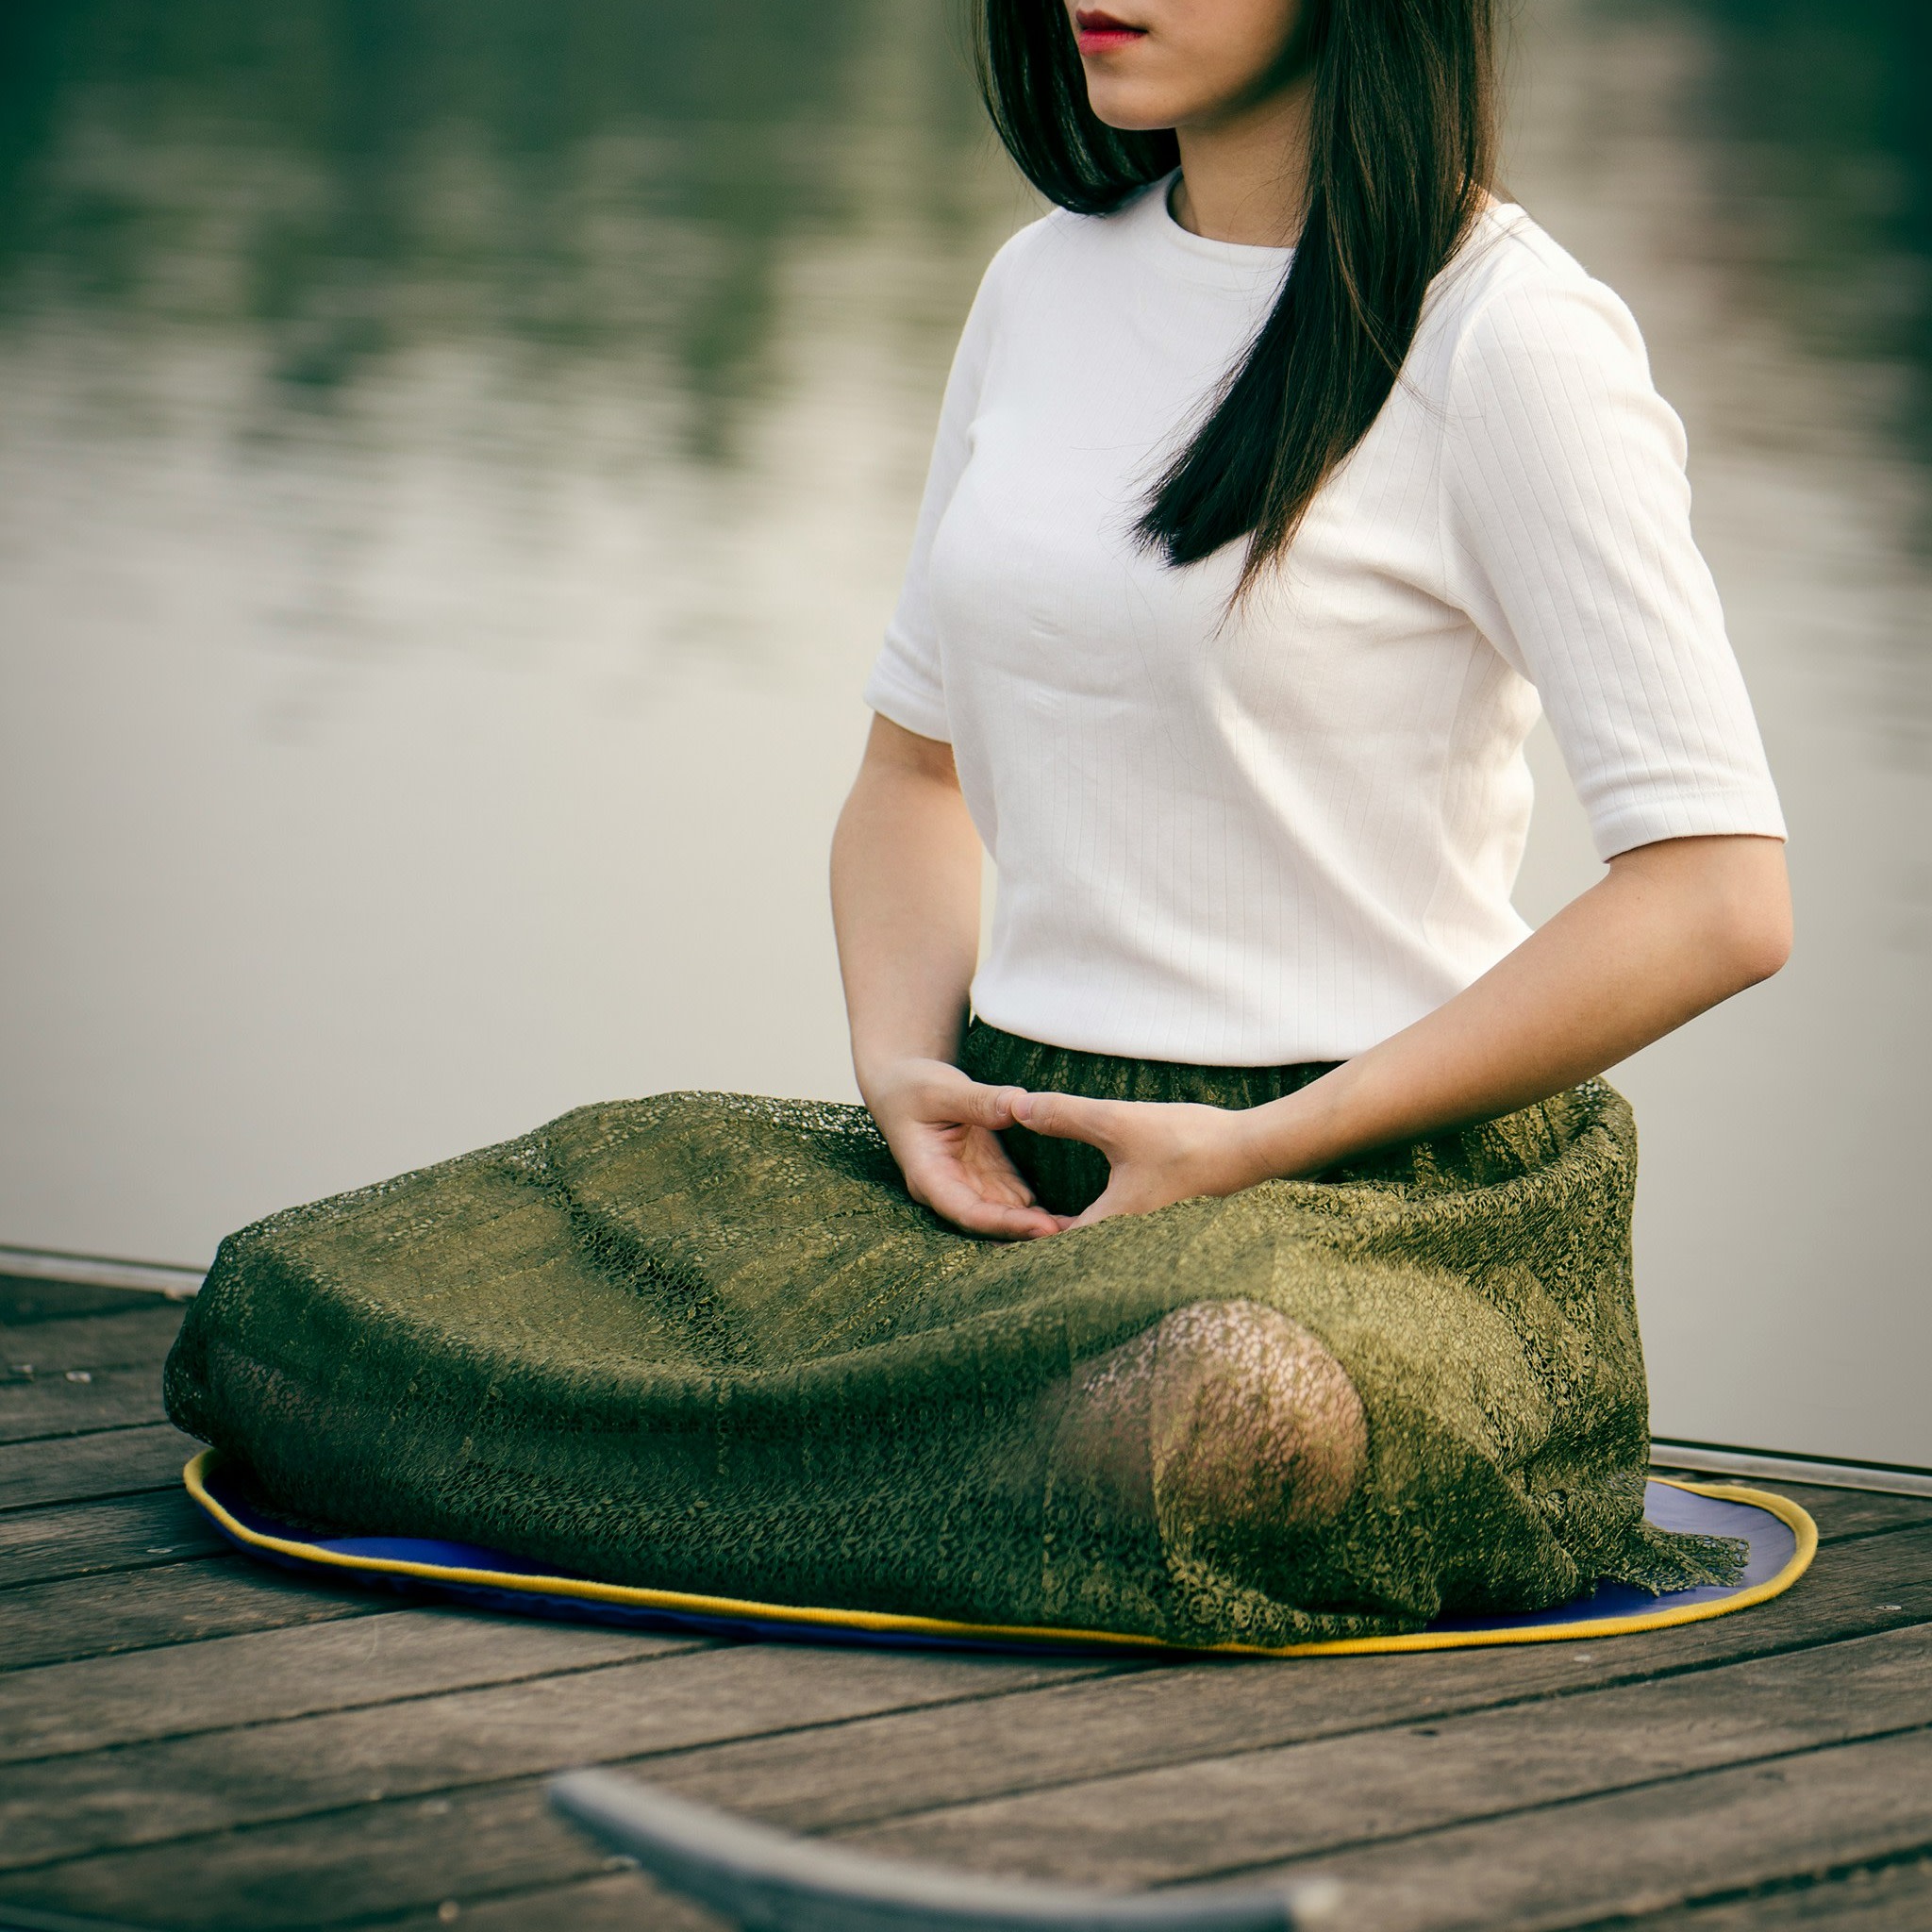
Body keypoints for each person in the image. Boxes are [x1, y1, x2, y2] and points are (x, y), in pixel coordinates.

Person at [166, 0, 1790, 1650]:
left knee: (1214, 1409)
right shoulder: (1044, 288)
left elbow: (1718, 895)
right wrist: (903, 1070)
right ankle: (911, 1468)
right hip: (1017, 1173)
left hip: (1376, 1205)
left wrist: (1256, 1147)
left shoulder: (1508, 334)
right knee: (307, 1303)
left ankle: (808, 1460)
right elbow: (909, 779)